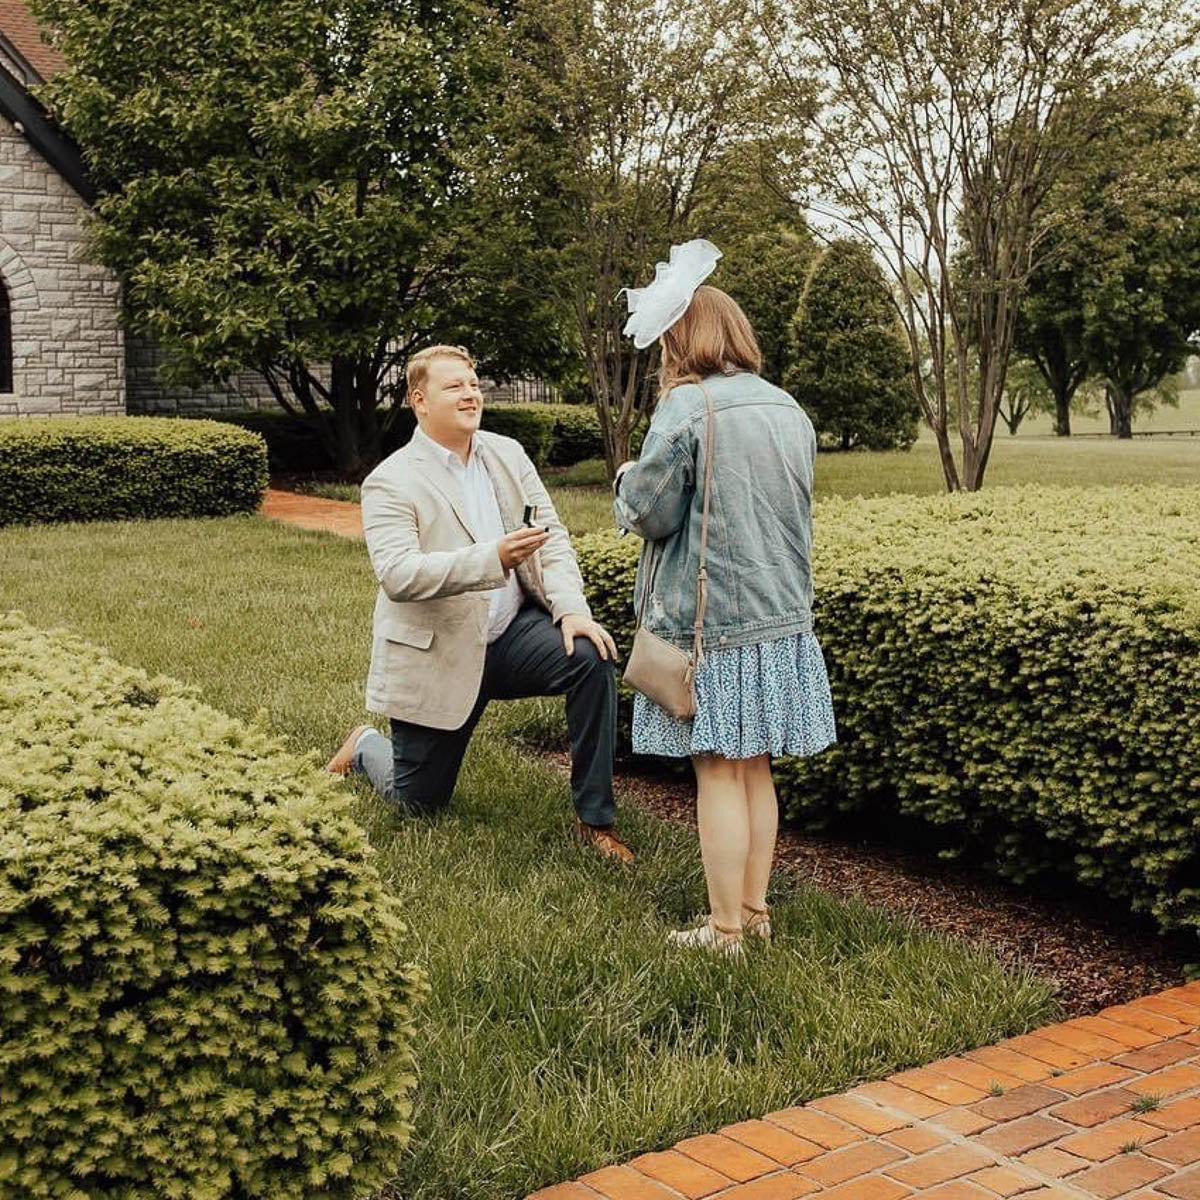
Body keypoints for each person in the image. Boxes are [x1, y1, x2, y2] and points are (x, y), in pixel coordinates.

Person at [326, 343, 633, 863]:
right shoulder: (390, 480)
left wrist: (571, 608)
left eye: (473, 384)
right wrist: (492, 557)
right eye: (455, 386)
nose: (471, 394)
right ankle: (364, 748)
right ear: (420, 401)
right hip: (440, 651)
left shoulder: (507, 454)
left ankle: (595, 820)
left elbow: (551, 536)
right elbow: (399, 575)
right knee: (416, 802)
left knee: (591, 658)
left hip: (513, 635)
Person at [614, 241, 837, 952]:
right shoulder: (787, 408)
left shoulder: (686, 408)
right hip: (782, 617)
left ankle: (725, 929)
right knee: (754, 769)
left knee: (716, 770)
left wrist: (625, 475)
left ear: (683, 339)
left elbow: (650, 511)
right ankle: (757, 911)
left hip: (712, 628)